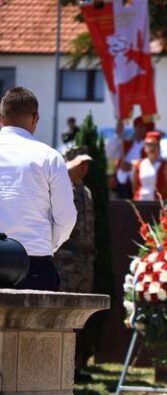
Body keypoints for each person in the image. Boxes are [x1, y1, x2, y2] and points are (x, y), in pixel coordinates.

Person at [0, 87, 77, 291]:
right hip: (33, 262)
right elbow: (66, 217)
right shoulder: (49, 157)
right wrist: (45, 245)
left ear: (1, 118)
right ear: (35, 117)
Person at [54, 147, 95, 293]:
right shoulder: (58, 187)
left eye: (86, 164)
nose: (84, 168)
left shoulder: (86, 192)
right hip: (65, 261)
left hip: (84, 261)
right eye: (80, 163)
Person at [106, 116, 151, 199]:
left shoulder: (148, 147)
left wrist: (131, 167)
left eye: (142, 127)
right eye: (137, 127)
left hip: (136, 185)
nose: (139, 129)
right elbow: (109, 152)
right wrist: (117, 134)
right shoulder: (127, 144)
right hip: (120, 185)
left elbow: (150, 164)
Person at [132, 131, 167, 201]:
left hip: (156, 203)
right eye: (149, 145)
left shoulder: (165, 166)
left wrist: (164, 201)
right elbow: (134, 186)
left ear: (159, 147)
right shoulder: (138, 165)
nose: (152, 148)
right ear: (145, 147)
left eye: (155, 145)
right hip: (139, 201)